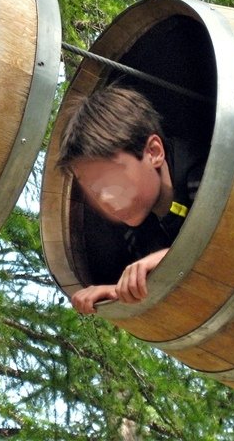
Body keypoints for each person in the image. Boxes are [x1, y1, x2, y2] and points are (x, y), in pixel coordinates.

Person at [55, 84, 206, 314]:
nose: (105, 197)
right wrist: (120, 291)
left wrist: (162, 261)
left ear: (154, 152)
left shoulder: (201, 174)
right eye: (93, 188)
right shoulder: (134, 230)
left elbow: (225, 240)